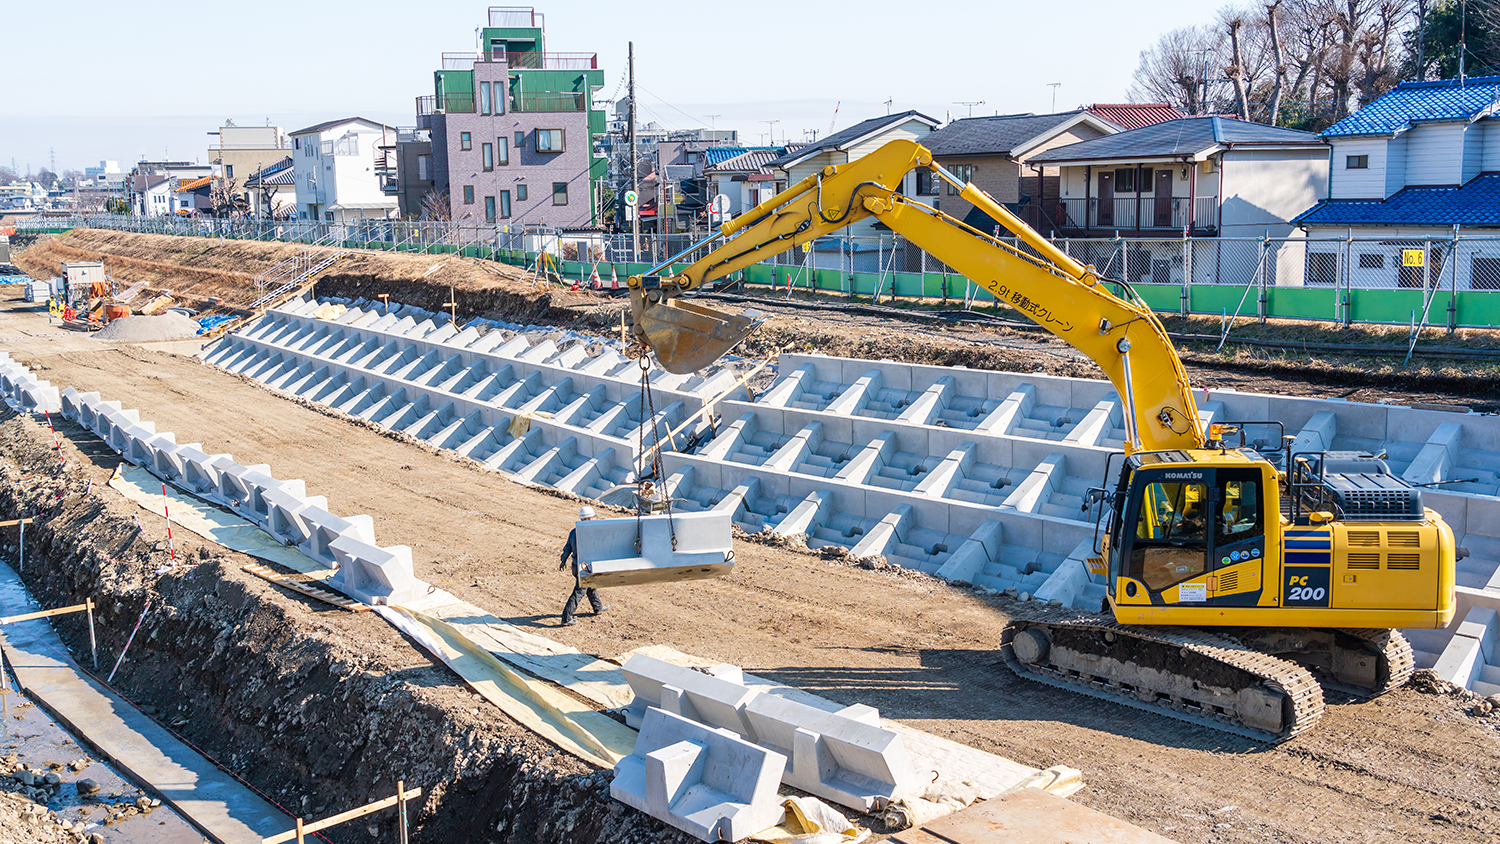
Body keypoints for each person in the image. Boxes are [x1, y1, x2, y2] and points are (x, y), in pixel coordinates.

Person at [559, 505, 609, 626]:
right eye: (593, 518)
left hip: (577, 566)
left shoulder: (574, 532)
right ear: (587, 519)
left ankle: (598, 608)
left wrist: (563, 560)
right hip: (584, 567)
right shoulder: (590, 534)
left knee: (591, 586)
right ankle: (566, 618)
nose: (594, 520)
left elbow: (567, 549)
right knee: (579, 592)